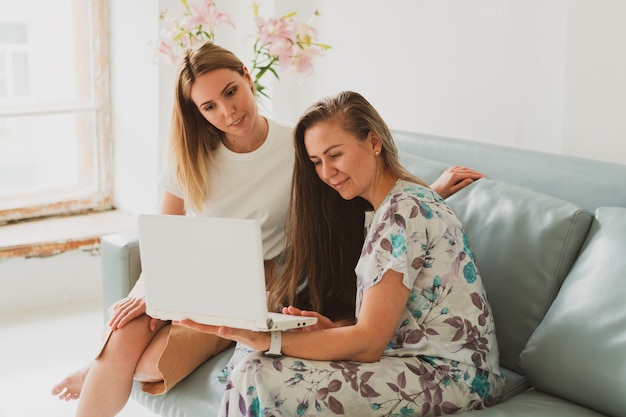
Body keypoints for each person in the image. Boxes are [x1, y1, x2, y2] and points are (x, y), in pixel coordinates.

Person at [51, 41, 485, 417]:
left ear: (246, 76)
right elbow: (165, 235)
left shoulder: (298, 148)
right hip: (188, 273)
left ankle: (104, 363)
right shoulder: (192, 157)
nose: (228, 111)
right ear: (197, 112)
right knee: (124, 334)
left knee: (151, 369)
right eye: (209, 106)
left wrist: (429, 190)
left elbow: (370, 202)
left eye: (231, 92)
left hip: (259, 282)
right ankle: (102, 363)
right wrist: (152, 290)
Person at [181, 90, 505, 416]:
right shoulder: (387, 211)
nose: (325, 173)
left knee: (259, 374)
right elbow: (383, 328)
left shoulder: (403, 211)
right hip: (409, 360)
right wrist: (329, 332)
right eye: (316, 162)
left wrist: (268, 339)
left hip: (454, 375)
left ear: (373, 142)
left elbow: (368, 343)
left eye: (334, 155)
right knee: (254, 363)